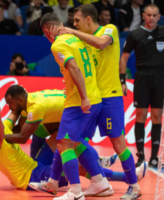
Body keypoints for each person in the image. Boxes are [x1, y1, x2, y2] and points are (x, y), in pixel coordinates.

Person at [45, 4, 142, 199]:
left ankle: (134, 186)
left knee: (118, 144)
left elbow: (101, 43)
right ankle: (91, 182)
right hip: (93, 97)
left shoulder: (109, 29)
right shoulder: (82, 41)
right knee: (70, 141)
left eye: (77, 21)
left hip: (110, 98)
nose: (75, 24)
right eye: (73, 22)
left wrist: (71, 31)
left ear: (88, 19)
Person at [0, 93, 147, 192]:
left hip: (35, 164)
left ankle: (96, 161)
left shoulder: (3, 126)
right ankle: (124, 177)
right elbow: (1, 138)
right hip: (31, 177)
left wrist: (18, 100)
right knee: (74, 164)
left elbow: (14, 113)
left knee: (61, 135)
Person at [37, 13, 109, 200]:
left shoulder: (58, 45)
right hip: (95, 97)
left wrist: (83, 96)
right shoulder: (78, 38)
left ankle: (75, 192)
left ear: (47, 31)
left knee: (64, 144)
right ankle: (99, 182)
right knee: (74, 142)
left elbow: (75, 68)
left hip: (79, 102)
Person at [120, 4, 164, 169]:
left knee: (157, 118)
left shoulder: (163, 32)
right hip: (142, 78)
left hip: (160, 77)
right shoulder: (135, 34)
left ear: (159, 17)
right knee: (141, 116)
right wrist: (123, 81)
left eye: (155, 15)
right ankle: (140, 157)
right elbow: (124, 58)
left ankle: (154, 158)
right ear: (143, 16)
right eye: (149, 15)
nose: (151, 18)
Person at [4, 86, 64, 158]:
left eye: (10, 104)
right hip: (61, 113)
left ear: (20, 100)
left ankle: (42, 163)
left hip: (75, 115)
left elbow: (23, 138)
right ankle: (36, 162)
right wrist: (1, 132)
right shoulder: (26, 101)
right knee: (37, 131)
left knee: (44, 159)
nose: (9, 108)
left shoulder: (35, 108)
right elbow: (20, 129)